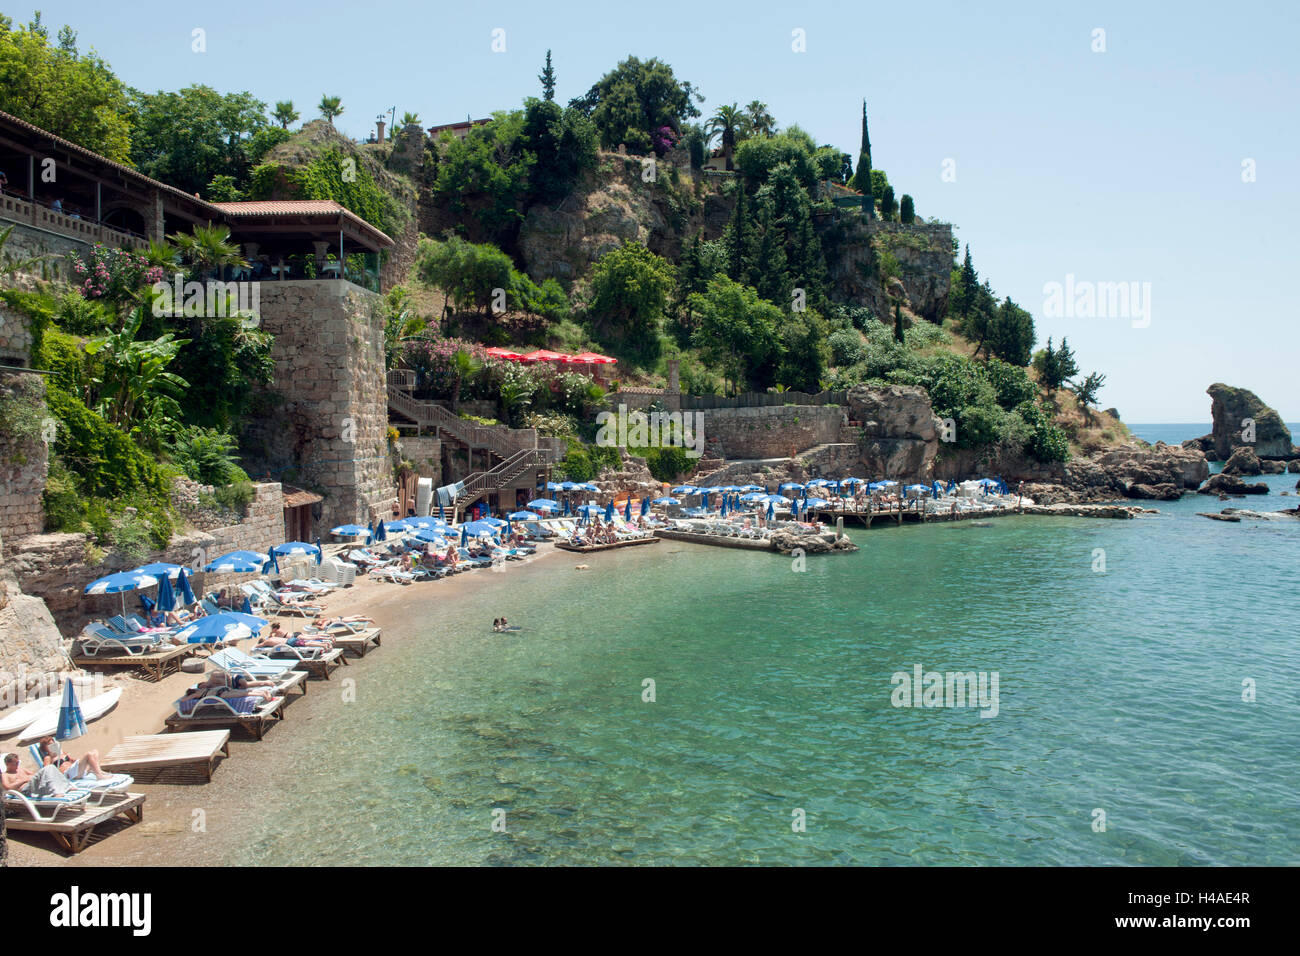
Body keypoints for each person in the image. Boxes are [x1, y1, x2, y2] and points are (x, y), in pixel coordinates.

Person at [38, 736, 106, 780]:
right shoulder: (48, 758)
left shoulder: (62, 753)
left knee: (95, 751)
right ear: (45, 748)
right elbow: (46, 771)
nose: (53, 746)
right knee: (89, 754)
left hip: (75, 769)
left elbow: (72, 760)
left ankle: (98, 771)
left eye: (53, 744)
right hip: (69, 774)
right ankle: (99, 775)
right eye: (50, 745)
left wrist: (81, 762)